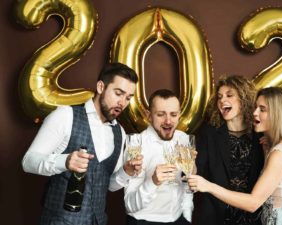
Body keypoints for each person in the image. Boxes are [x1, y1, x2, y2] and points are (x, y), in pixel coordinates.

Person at [22, 62, 142, 225]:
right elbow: (28, 161)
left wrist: (126, 172)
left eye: (128, 97)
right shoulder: (65, 116)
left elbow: (108, 185)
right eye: (118, 93)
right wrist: (63, 161)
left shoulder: (119, 132)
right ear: (101, 87)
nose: (122, 102)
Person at [188, 87, 282, 225]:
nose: (255, 113)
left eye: (262, 109)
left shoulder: (280, 154)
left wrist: (208, 186)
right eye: (256, 107)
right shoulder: (279, 146)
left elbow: (253, 203)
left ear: (278, 114)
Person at [110, 89, 193, 225]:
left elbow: (187, 183)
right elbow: (129, 206)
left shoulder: (183, 139)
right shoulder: (137, 144)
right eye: (161, 114)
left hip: (178, 218)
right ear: (149, 116)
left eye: (173, 114)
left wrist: (187, 216)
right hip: (145, 221)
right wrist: (153, 182)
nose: (168, 121)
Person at [193, 75, 264, 225]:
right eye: (219, 97)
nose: (222, 100)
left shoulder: (261, 133)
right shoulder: (208, 132)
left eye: (229, 95)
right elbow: (196, 174)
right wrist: (191, 165)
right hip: (216, 215)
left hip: (253, 215)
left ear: (244, 99)